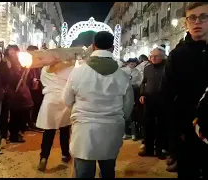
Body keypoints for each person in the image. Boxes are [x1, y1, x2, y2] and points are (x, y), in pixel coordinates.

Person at [63, 31, 134, 178]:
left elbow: (67, 100)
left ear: (93, 46)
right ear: (112, 47)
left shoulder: (78, 72)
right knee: (108, 171)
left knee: (83, 172)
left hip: (84, 130)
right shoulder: (123, 75)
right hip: (111, 129)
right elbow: (127, 107)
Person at [159, 2, 208, 178]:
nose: (197, 22)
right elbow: (166, 97)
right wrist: (174, 140)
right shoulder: (178, 55)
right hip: (187, 137)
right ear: (186, 22)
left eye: (203, 17)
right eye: (192, 18)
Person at [36, 52, 74, 172]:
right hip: (64, 100)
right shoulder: (69, 68)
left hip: (50, 100)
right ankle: (65, 154)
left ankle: (44, 157)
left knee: (49, 131)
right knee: (64, 129)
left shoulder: (44, 70)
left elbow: (43, 84)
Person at [138, 47, 167, 160]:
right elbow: (143, 82)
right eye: (151, 56)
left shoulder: (167, 68)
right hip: (149, 100)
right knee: (148, 124)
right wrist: (142, 94)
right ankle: (149, 149)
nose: (153, 58)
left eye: (156, 56)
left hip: (163, 100)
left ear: (162, 57)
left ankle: (161, 150)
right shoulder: (147, 68)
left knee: (161, 125)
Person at [7, 45, 34, 143]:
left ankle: (18, 132)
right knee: (14, 115)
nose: (13, 54)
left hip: (21, 93)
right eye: (11, 52)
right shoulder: (8, 63)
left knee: (20, 114)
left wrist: (26, 72)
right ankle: (13, 135)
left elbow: (25, 79)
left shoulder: (20, 63)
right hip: (13, 92)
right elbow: (8, 78)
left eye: (15, 52)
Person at [121, 58, 141, 141]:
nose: (132, 65)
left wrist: (136, 85)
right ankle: (125, 133)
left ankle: (133, 133)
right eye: (131, 63)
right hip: (124, 91)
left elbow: (140, 80)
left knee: (133, 112)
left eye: (134, 63)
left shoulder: (137, 71)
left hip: (134, 90)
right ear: (128, 63)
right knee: (124, 112)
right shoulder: (123, 70)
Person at [26, 45, 44, 132]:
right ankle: (31, 122)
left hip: (38, 87)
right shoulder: (26, 62)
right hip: (29, 88)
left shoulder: (38, 62)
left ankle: (34, 122)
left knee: (37, 104)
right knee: (32, 105)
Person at [0, 45, 12, 148]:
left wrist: (5, 90)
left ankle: (3, 136)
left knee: (3, 116)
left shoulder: (5, 67)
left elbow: (8, 80)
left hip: (4, 95)